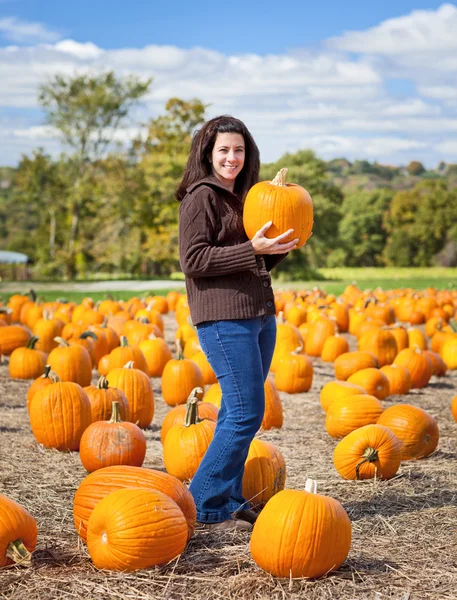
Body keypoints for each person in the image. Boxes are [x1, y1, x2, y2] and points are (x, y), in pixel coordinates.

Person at [176, 115, 299, 531]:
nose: (232, 157)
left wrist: (278, 247)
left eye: (239, 150)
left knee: (237, 410)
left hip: (258, 315)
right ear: (208, 153)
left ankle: (227, 498)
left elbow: (253, 261)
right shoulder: (201, 198)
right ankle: (204, 504)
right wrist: (252, 248)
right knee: (247, 412)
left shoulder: (246, 198)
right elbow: (194, 261)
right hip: (223, 319)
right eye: (224, 150)